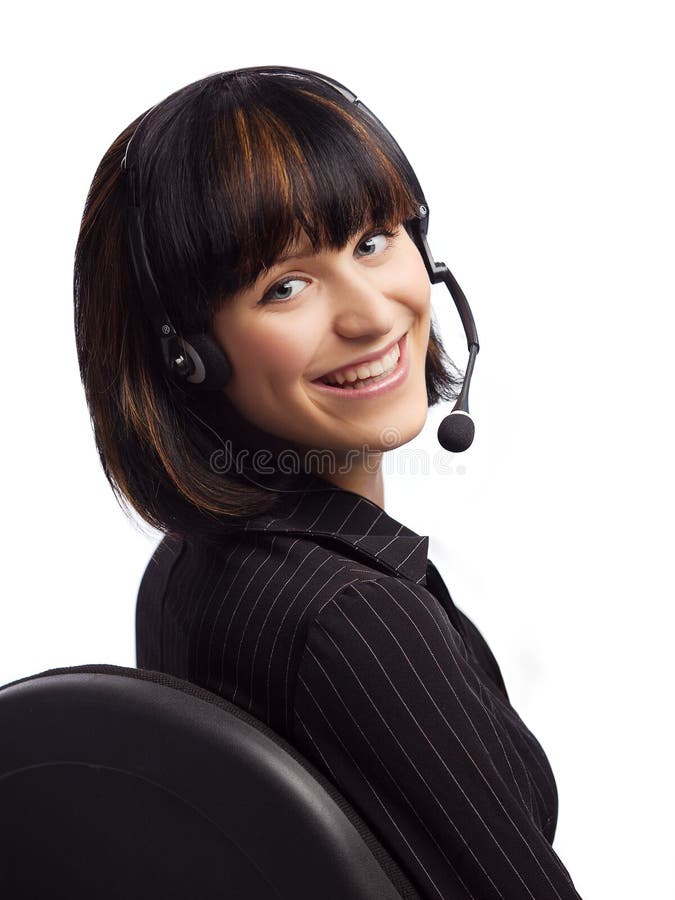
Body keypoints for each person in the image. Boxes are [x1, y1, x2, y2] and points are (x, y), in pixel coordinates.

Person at [74, 66, 583, 900]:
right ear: (186, 355)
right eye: (285, 285)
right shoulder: (352, 618)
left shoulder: (188, 567)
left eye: (373, 241)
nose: (372, 315)